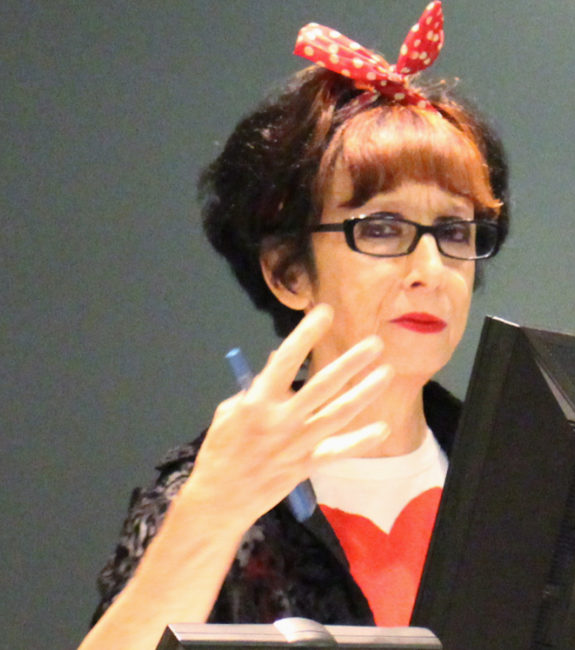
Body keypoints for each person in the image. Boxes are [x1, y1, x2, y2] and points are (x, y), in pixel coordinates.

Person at [79, 3, 510, 648]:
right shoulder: (210, 489)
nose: (430, 268)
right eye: (382, 228)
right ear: (288, 273)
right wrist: (213, 509)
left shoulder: (516, 482)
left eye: (453, 231)